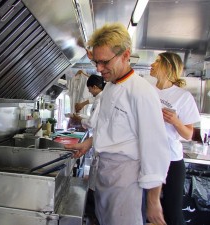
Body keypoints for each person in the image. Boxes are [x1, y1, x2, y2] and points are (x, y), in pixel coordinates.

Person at [64, 22, 170, 225]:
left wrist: (153, 200)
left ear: (125, 54)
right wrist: (87, 144)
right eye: (96, 62)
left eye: (104, 62)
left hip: (125, 178)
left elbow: (154, 147)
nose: (99, 68)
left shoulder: (141, 92)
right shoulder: (111, 87)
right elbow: (108, 127)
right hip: (104, 172)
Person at [150, 52, 200, 225]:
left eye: (157, 61)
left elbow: (188, 134)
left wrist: (175, 121)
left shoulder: (182, 97)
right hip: (148, 158)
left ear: (168, 66)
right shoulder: (147, 91)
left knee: (172, 212)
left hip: (172, 160)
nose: (152, 64)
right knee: (144, 210)